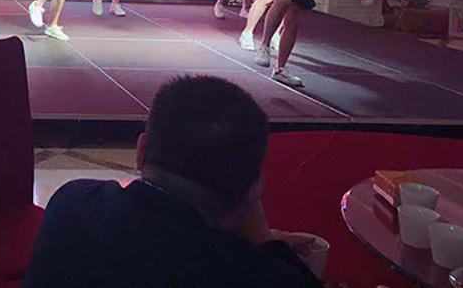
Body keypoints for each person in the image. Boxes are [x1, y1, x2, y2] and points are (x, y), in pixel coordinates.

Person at [22, 75, 325, 288]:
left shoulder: (72, 202)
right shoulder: (256, 274)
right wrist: (265, 243)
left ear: (141, 151)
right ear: (253, 190)